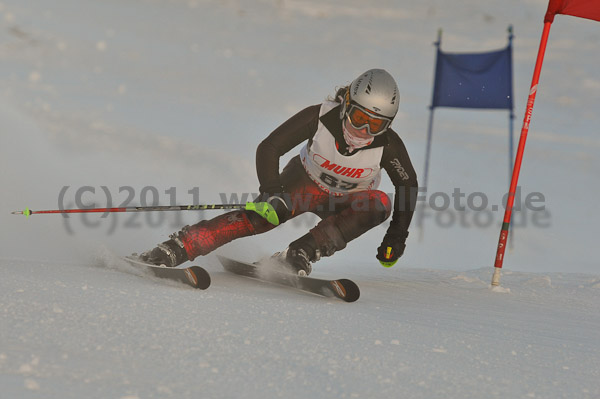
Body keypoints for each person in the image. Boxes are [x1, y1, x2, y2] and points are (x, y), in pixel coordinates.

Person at [140, 68, 418, 276]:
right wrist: (272, 192)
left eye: (376, 125)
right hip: (304, 183)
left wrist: (396, 236)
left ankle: (301, 252)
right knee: (263, 218)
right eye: (359, 118)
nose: (363, 131)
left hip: (348, 202)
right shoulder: (319, 117)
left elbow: (408, 186)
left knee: (379, 203)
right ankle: (178, 247)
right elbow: (270, 147)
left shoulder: (389, 145)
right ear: (346, 104)